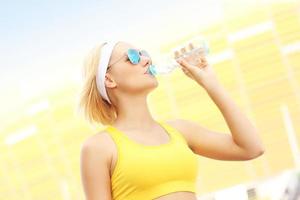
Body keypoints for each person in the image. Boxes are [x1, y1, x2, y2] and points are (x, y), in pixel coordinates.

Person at [79, 41, 265, 200]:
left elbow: (251, 148)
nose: (146, 60)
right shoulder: (99, 147)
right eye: (133, 57)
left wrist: (211, 84)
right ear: (109, 79)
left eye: (144, 54)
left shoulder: (181, 130)